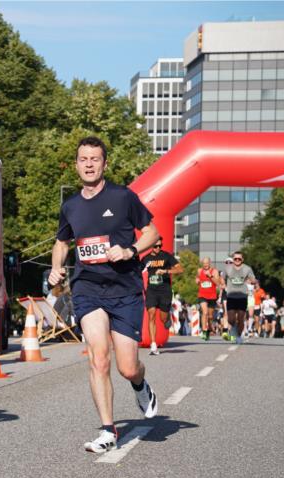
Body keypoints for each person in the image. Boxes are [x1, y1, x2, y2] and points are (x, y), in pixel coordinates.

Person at [47, 136, 159, 454]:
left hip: (125, 289)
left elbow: (153, 231)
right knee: (98, 358)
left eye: (95, 159)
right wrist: (57, 268)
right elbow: (62, 242)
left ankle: (139, 384)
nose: (89, 164)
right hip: (88, 288)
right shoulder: (70, 205)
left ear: (105, 164)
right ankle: (108, 430)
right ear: (76, 164)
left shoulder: (123, 197)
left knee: (127, 366)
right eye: (83, 159)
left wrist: (130, 250)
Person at [143, 236, 182, 354]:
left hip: (165, 291)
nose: (158, 248)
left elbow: (180, 269)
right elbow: (136, 271)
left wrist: (166, 271)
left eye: (160, 246)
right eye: (155, 246)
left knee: (163, 318)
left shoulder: (166, 256)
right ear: (151, 246)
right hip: (151, 291)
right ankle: (153, 344)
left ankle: (167, 319)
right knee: (151, 315)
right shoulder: (146, 259)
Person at [221, 251, 256, 343]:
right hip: (231, 296)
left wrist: (253, 281)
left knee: (241, 318)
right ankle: (234, 328)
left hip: (242, 296)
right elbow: (221, 278)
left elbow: (253, 278)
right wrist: (223, 284)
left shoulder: (247, 269)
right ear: (233, 259)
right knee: (231, 319)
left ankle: (238, 336)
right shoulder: (227, 268)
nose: (237, 260)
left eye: (239, 259)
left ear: (242, 260)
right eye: (235, 259)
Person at [195, 257, 221, 341]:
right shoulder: (199, 270)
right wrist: (197, 280)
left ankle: (210, 327)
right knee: (204, 312)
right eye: (204, 263)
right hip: (202, 295)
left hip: (212, 296)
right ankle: (204, 331)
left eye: (207, 263)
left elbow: (218, 283)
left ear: (210, 263)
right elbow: (197, 278)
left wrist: (211, 276)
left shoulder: (214, 271)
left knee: (210, 316)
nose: (205, 265)